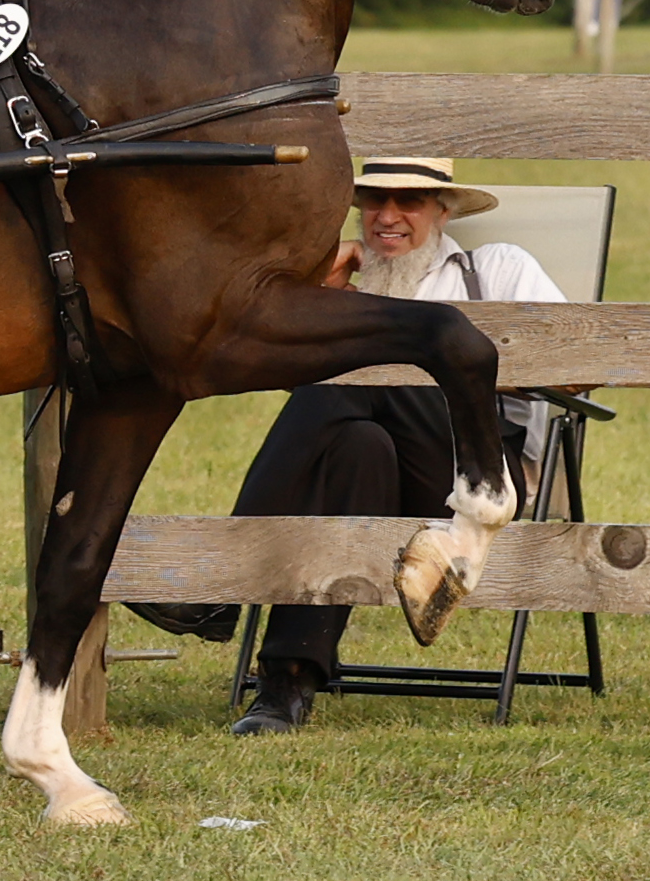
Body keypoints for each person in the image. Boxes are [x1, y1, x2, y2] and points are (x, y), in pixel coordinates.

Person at [127, 154, 566, 735]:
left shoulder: (494, 268)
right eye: (373, 201)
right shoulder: (346, 283)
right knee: (354, 442)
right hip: (386, 472)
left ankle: (217, 587)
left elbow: (579, 369)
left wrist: (470, 363)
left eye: (407, 201)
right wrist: (321, 293)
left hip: (476, 476)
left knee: (354, 382)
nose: (387, 216)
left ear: (443, 210)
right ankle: (285, 685)